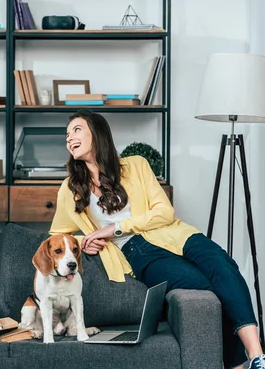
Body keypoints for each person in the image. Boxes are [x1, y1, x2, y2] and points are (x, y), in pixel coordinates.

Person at [49, 109, 265, 369]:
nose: (69, 138)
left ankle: (257, 355)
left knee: (225, 266)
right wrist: (85, 240)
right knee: (202, 285)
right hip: (136, 250)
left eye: (76, 129)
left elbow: (164, 212)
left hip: (176, 234)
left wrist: (113, 228)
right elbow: (57, 236)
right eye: (66, 134)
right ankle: (238, 364)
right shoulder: (70, 187)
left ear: (97, 132)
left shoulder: (136, 165)